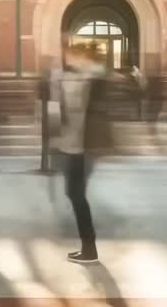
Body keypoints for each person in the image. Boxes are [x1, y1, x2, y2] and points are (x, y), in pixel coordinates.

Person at [56, 43, 113, 264]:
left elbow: (71, 109)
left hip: (81, 146)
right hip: (77, 145)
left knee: (76, 194)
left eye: (70, 55)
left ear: (80, 56)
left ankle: (89, 248)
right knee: (75, 193)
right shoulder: (83, 77)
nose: (66, 59)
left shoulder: (87, 78)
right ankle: (88, 246)